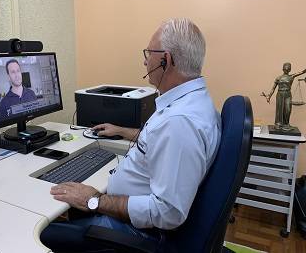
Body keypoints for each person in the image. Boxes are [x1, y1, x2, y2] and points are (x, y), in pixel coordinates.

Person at [40, 18, 221, 252]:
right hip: (128, 218)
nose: (145, 60)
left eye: (149, 53)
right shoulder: (191, 103)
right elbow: (162, 142)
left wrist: (95, 200)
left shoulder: (179, 124)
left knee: (44, 233)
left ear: (165, 60)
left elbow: (168, 213)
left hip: (137, 234)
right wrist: (122, 131)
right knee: (68, 212)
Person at [262, 63, 306, 131]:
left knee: (288, 109)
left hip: (288, 94)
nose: (286, 69)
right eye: (285, 68)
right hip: (280, 94)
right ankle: (278, 124)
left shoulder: (292, 76)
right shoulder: (278, 78)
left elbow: (302, 72)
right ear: (283, 69)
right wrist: (269, 96)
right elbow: (273, 88)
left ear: (290, 69)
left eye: (288, 68)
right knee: (279, 110)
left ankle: (286, 124)